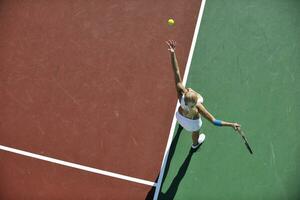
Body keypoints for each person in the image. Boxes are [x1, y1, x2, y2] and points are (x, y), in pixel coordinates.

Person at [166, 40, 241, 149]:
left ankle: (181, 127)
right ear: (195, 101)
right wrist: (232, 124)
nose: (191, 90)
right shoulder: (198, 107)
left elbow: (176, 71)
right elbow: (214, 121)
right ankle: (195, 145)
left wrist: (172, 53)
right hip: (192, 125)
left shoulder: (181, 95)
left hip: (180, 117)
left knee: (183, 117)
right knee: (196, 131)